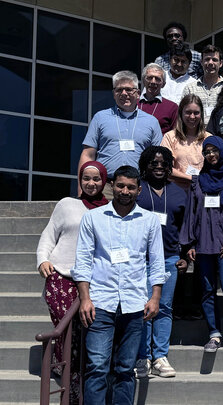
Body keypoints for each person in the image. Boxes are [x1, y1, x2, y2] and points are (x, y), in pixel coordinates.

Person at [72, 165, 165, 405]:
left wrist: (155, 298)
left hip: (134, 306)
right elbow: (82, 260)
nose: (125, 191)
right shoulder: (93, 218)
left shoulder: (150, 220)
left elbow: (156, 262)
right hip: (100, 303)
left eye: (131, 187)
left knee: (126, 370)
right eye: (121, 185)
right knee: (97, 368)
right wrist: (85, 298)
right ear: (112, 186)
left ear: (139, 190)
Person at [36, 161, 109, 402]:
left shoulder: (109, 209)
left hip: (88, 281)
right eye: (86, 178)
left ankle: (74, 378)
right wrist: (42, 260)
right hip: (59, 275)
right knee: (66, 330)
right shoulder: (66, 204)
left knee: (81, 332)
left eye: (96, 179)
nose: (91, 183)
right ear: (80, 180)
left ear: (104, 181)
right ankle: (64, 369)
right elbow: (49, 234)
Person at [180, 137, 223, 353]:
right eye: (207, 151)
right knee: (207, 290)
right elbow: (191, 213)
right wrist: (190, 242)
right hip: (203, 242)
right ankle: (214, 334)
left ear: (222, 152)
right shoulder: (198, 181)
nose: (211, 155)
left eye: (214, 150)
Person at [134, 146, 188, 379]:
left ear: (170, 167)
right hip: (140, 258)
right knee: (144, 307)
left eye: (164, 163)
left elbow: (185, 226)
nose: (158, 167)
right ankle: (143, 357)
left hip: (169, 257)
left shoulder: (178, 193)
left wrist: (184, 254)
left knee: (164, 308)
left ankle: (160, 357)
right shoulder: (137, 191)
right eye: (153, 163)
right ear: (145, 165)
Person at [78, 70, 163, 199]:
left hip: (139, 187)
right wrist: (81, 190)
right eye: (119, 90)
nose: (124, 94)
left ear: (138, 93)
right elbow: (88, 154)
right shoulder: (100, 117)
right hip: (106, 187)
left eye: (129, 90)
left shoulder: (152, 122)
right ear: (113, 94)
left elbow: (159, 158)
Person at [161, 94, 212, 189]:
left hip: (203, 189)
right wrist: (192, 178)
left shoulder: (209, 138)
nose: (192, 117)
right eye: (188, 112)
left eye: (196, 113)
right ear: (181, 113)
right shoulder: (170, 137)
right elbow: (166, 167)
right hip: (178, 190)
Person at [182, 44, 223, 125]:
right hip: (195, 134)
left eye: (214, 60)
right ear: (201, 62)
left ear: (221, 63)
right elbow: (182, 114)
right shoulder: (190, 88)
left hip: (219, 135)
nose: (210, 63)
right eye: (207, 59)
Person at [138, 63, 178, 134]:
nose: (153, 82)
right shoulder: (134, 104)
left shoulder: (172, 107)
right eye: (150, 78)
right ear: (144, 81)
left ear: (163, 84)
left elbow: (174, 135)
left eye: (157, 79)